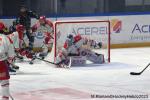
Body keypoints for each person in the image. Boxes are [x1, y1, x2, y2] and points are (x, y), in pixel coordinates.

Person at [0, 21, 15, 100]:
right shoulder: (6, 38)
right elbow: (11, 54)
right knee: (4, 83)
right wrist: (9, 61)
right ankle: (5, 98)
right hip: (1, 64)